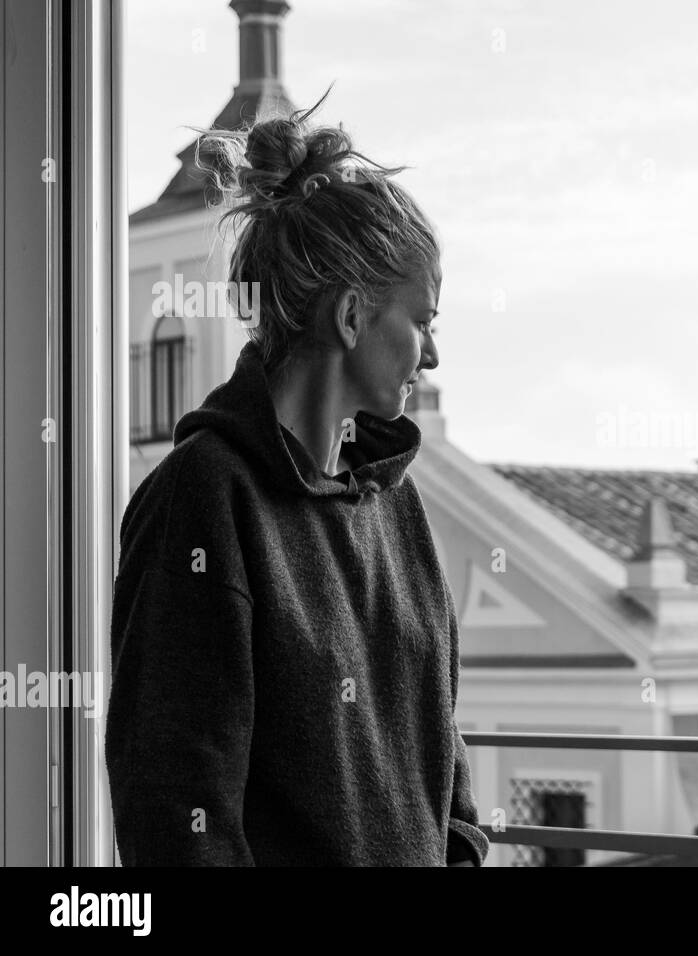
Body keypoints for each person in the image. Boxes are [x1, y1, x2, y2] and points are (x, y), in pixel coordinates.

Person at [105, 92, 488, 866]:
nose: (435, 355)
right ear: (351, 318)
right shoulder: (203, 499)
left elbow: (445, 776)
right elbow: (176, 813)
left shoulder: (397, 504)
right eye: (425, 320)